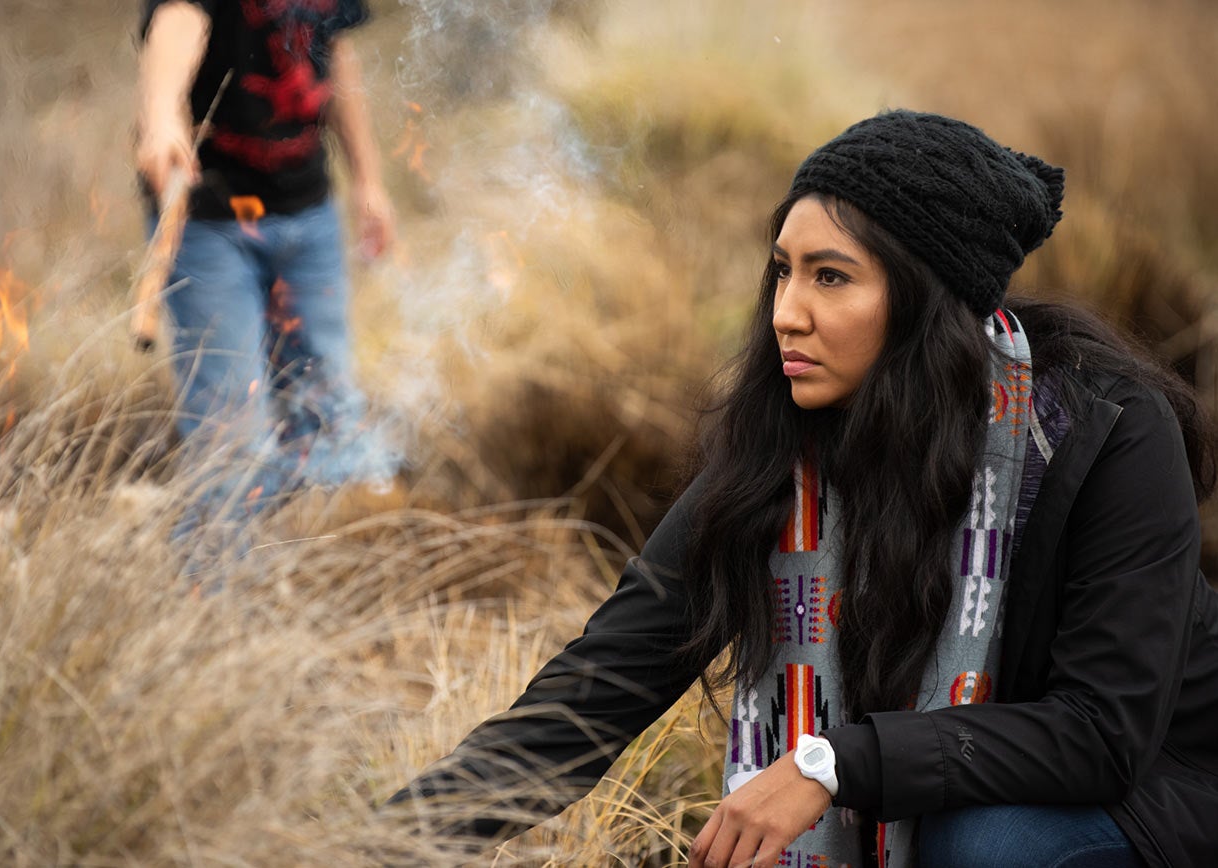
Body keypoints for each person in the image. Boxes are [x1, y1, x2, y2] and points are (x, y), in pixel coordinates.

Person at [385, 110, 1218, 867]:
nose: (786, 311)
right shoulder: (784, 447)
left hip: (1155, 793)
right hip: (955, 789)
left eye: (831, 277)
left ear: (924, 299)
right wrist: (387, 843)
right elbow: (604, 681)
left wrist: (834, 762)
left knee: (983, 844)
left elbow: (1100, 733)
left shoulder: (1101, 433)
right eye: (782, 271)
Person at [135, 0, 396, 553]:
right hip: (210, 221)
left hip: (308, 211)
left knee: (326, 413)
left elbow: (336, 53)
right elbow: (178, 19)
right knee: (230, 430)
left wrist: (368, 179)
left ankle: (307, 566)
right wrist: (160, 114)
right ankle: (215, 586)